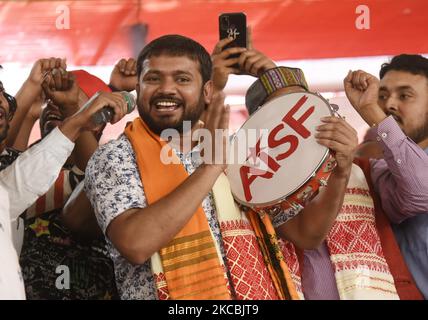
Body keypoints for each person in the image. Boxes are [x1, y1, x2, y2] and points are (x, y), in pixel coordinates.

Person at [85, 34, 357, 300]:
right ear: (139, 88)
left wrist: (341, 172)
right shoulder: (115, 156)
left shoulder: (242, 150)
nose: (166, 89)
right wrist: (211, 167)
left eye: (182, 79)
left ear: (206, 91)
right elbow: (135, 243)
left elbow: (305, 234)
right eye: (153, 79)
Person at [223, 36, 422, 299]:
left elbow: (422, 191)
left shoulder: (364, 169)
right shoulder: (254, 186)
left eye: (304, 110)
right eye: (283, 118)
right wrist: (339, 173)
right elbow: (307, 236)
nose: (297, 125)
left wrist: (372, 111)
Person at [0, 70, 128, 299]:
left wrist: (77, 114)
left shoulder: (118, 166)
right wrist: (29, 111)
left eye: (69, 102)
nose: (54, 107)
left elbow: (95, 180)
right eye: (51, 100)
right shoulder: (23, 164)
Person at [344, 54, 428, 299]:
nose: (389, 104)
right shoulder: (380, 170)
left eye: (405, 95)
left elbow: (421, 188)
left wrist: (373, 112)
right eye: (382, 96)